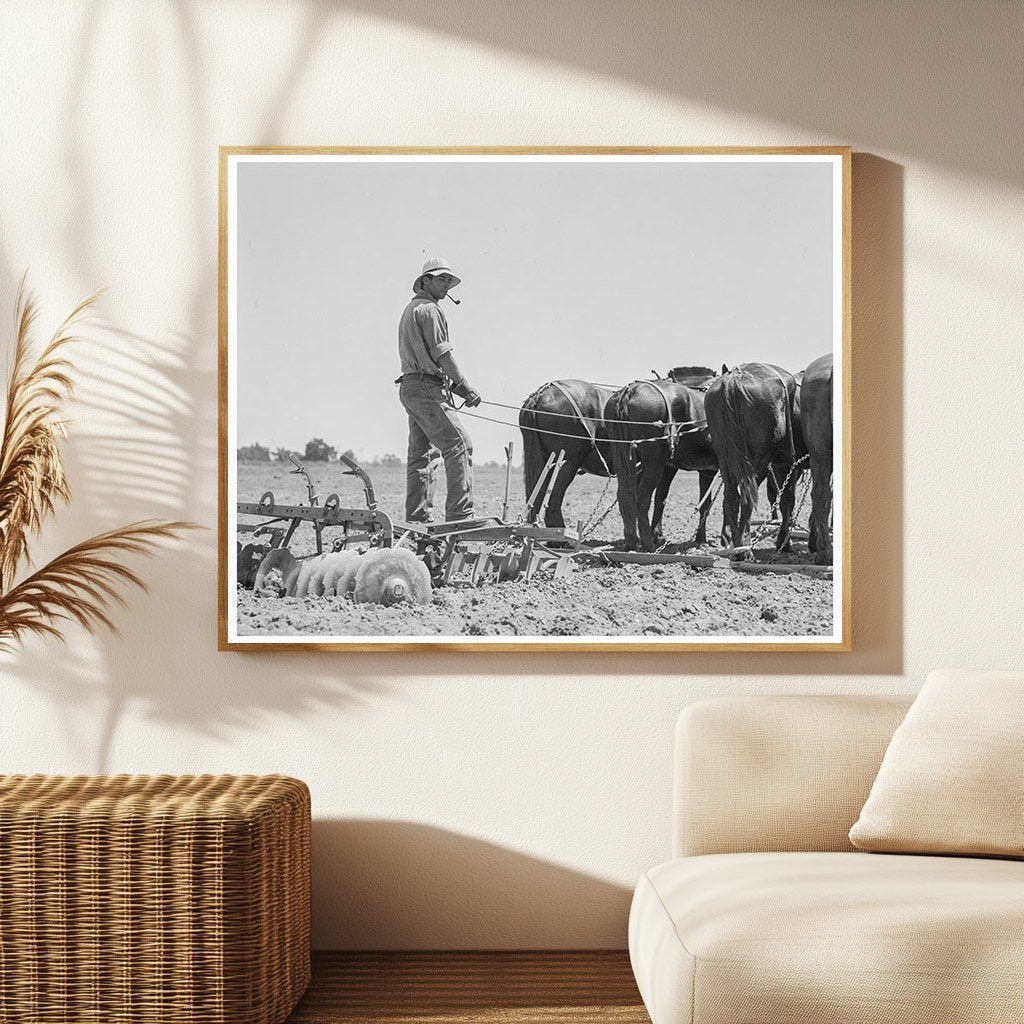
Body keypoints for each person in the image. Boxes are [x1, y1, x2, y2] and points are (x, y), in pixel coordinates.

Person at [396, 257, 482, 524]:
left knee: (423, 456)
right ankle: (460, 515)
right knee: (459, 444)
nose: (446, 284)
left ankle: (418, 520)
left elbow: (426, 357)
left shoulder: (411, 309)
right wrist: (465, 387)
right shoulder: (430, 310)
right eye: (441, 279)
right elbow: (441, 353)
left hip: (411, 387)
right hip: (426, 387)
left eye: (448, 280)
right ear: (426, 281)